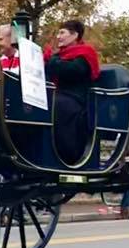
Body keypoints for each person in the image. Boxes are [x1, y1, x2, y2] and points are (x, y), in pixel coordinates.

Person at [43, 20, 101, 163]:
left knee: (57, 105)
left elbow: (73, 71)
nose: (58, 36)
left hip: (76, 100)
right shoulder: (58, 56)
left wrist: (52, 62)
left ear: (74, 35)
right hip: (59, 95)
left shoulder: (86, 53)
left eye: (62, 33)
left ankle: (66, 154)